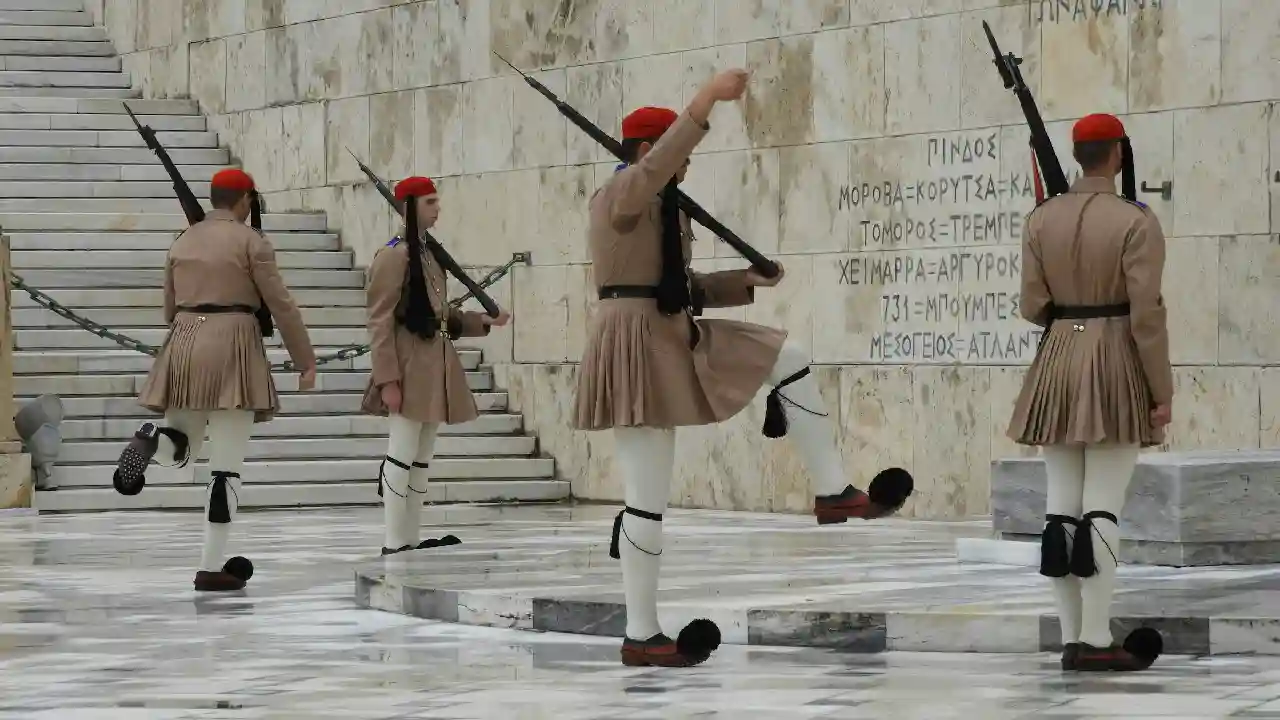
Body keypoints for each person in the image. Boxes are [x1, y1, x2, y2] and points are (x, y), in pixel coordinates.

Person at [571, 69, 914, 668]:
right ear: (651, 151)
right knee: (646, 499)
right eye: (676, 156)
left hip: (669, 330)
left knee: (789, 356)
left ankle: (833, 492)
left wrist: (744, 283)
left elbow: (678, 286)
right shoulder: (624, 192)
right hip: (634, 347)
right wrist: (702, 101)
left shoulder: (654, 203)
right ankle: (642, 634)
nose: (687, 169)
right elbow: (653, 181)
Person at [1007, 113, 1171, 672]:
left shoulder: (1040, 219)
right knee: (1102, 506)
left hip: (1057, 356)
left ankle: (1071, 637)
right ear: (1118, 155)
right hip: (1115, 356)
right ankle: (1097, 640)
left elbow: (1032, 306)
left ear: (1078, 155)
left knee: (1061, 509)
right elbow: (1146, 313)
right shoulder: (1135, 220)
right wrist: (1160, 388)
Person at [116, 168, 318, 593]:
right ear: (245, 200)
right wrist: (305, 360)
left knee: (181, 449)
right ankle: (210, 567)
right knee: (225, 470)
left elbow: (169, 306)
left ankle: (153, 439)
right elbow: (281, 304)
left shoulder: (183, 238)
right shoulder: (252, 241)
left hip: (185, 339)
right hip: (234, 343)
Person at [362, 176, 511, 556]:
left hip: (433, 360)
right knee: (401, 451)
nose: (437, 207)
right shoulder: (393, 256)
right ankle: (394, 539)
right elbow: (380, 321)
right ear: (410, 207)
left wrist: (482, 322)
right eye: (430, 202)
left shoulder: (427, 254)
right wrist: (387, 380)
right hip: (409, 362)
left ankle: (410, 536)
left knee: (422, 456)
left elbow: (439, 313)